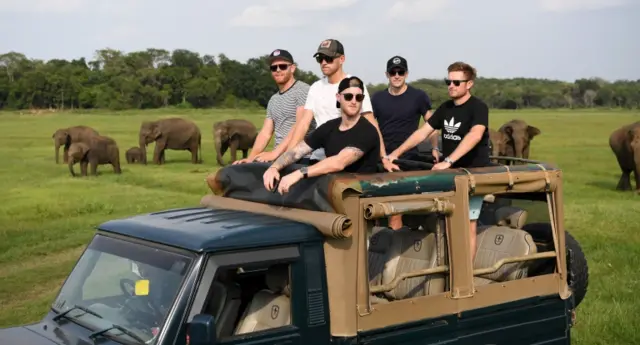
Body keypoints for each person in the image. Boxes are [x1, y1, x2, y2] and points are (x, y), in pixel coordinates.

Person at [384, 61, 490, 261]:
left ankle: (465, 279)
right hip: (448, 176)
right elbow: (423, 132)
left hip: (472, 175)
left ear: (469, 84)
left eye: (456, 82)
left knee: (468, 224)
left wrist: (448, 160)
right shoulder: (446, 107)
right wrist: (395, 153)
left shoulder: (478, 107)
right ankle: (446, 266)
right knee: (444, 220)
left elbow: (475, 135)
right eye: (448, 81)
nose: (451, 85)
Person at [263, 76, 380, 195]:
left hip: (361, 196)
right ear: (338, 97)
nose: (354, 101)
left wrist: (299, 173)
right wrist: (274, 167)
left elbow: (338, 162)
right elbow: (297, 151)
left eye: (359, 97)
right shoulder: (329, 127)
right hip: (335, 192)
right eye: (348, 96)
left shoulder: (367, 130)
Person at [284, 39, 379, 164]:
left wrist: (383, 157)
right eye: (320, 59)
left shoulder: (354, 85)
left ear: (342, 59)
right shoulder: (315, 87)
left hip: (346, 158)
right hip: (318, 157)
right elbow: (303, 124)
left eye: (328, 58)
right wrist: (287, 157)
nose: (323, 63)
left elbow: (370, 121)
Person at [372, 55, 439, 230]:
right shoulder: (377, 99)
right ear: (387, 74)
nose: (396, 75)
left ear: (406, 74)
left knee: (395, 212)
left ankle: (396, 251)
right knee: (376, 212)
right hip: (382, 160)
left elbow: (431, 124)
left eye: (400, 71)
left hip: (406, 160)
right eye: (393, 72)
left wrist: (435, 147)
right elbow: (371, 127)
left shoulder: (418, 96)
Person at [233, 49, 313, 165]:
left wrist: (275, 153)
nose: (278, 70)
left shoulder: (303, 90)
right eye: (274, 68)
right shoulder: (273, 100)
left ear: (293, 68)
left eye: (282, 66)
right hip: (278, 157)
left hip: (301, 155)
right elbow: (266, 132)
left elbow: (299, 125)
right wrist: (251, 158)